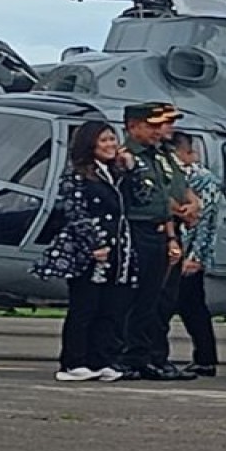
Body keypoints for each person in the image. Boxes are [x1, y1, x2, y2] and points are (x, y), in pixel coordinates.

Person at [31, 120, 137, 382]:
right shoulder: (76, 174)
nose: (111, 145)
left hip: (118, 249)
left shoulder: (116, 174)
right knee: (85, 307)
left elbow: (138, 200)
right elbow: (75, 212)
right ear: (89, 144)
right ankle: (73, 361)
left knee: (111, 308)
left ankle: (101, 358)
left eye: (112, 139)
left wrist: (130, 170)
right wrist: (94, 244)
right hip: (89, 252)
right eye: (104, 140)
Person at [118, 102, 196, 382]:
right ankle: (131, 357)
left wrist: (191, 205)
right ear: (132, 126)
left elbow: (175, 187)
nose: (160, 130)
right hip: (139, 230)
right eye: (152, 125)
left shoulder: (162, 155)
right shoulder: (127, 157)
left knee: (160, 300)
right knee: (136, 299)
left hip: (165, 231)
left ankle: (152, 356)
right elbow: (145, 198)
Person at [171, 131, 221, 377]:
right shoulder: (172, 174)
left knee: (193, 307)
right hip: (172, 250)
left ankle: (205, 358)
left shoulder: (202, 179)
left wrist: (196, 257)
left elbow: (206, 219)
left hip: (188, 252)